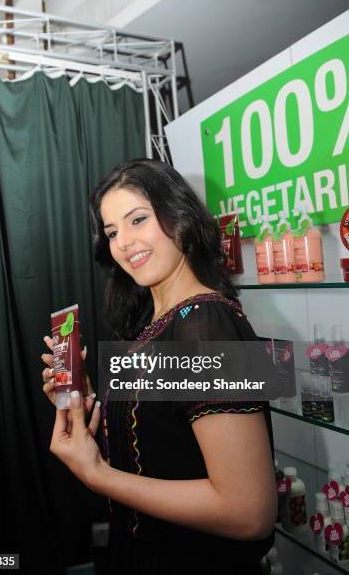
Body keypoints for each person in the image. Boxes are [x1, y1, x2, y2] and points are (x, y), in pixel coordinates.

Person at [41, 159, 277, 575]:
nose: (124, 242)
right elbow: (161, 441)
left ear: (181, 218)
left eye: (138, 220)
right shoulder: (155, 324)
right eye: (112, 232)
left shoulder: (207, 324)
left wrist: (96, 474)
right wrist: (86, 401)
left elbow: (249, 511)